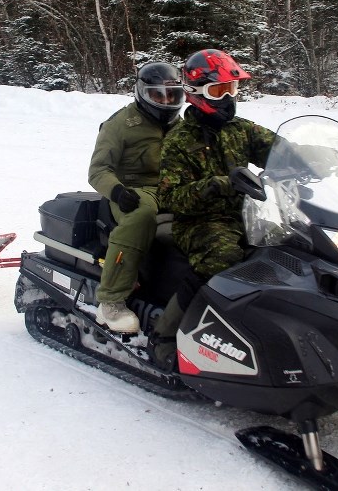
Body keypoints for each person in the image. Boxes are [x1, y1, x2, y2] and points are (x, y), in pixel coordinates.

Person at [151, 49, 276, 369]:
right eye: (220, 91)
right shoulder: (180, 139)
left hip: (246, 215)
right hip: (199, 220)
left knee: (293, 249)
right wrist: (217, 184)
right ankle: (166, 336)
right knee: (222, 257)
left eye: (232, 90)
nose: (229, 98)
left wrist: (319, 161)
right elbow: (171, 198)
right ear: (197, 93)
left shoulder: (242, 129)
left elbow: (280, 150)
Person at [88, 62, 185, 333]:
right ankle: (111, 300)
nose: (166, 102)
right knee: (142, 215)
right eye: (158, 96)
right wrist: (117, 191)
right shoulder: (120, 124)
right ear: (142, 93)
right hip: (135, 192)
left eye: (172, 95)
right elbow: (98, 170)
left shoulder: (181, 127)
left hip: (174, 190)